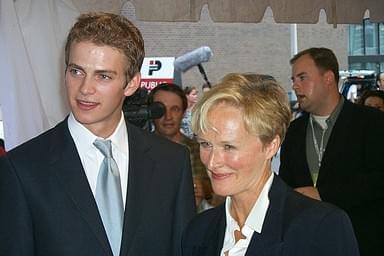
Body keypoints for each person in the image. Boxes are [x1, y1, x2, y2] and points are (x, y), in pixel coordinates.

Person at [0, 13, 195, 256]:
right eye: (76, 71)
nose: (84, 89)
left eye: (103, 76)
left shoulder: (172, 162)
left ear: (132, 83)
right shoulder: (22, 168)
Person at [182, 73, 359, 256]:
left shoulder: (320, 227)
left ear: (270, 146)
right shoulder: (198, 231)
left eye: (229, 147)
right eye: (205, 144)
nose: (212, 161)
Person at [279, 47, 384, 256]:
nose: (294, 85)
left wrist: (323, 194)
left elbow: (378, 179)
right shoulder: (293, 132)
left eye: (302, 77)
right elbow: (286, 185)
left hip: (362, 242)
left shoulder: (371, 123)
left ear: (328, 78)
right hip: (307, 244)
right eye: (293, 79)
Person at [148, 83, 215, 212]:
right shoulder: (135, 151)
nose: (168, 117)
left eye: (175, 109)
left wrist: (205, 191)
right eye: (161, 109)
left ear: (183, 112)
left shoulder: (199, 151)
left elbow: (217, 199)